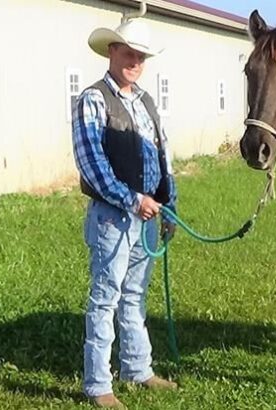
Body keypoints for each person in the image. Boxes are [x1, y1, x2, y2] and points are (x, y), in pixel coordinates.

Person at [72, 18, 178, 408]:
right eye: (128, 52)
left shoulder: (146, 101)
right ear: (111, 51)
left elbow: (162, 156)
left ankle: (137, 367)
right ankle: (98, 384)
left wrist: (169, 204)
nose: (134, 60)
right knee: (106, 298)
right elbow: (93, 166)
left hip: (147, 216)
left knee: (134, 295)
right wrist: (133, 199)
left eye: (140, 55)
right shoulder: (94, 99)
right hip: (114, 217)